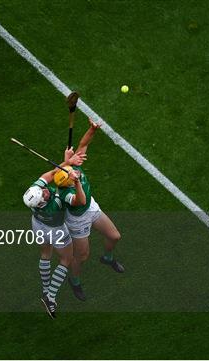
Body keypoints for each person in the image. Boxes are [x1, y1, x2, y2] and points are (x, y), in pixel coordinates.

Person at [56, 118, 125, 302]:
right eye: (71, 177)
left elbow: (83, 144)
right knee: (82, 256)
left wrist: (92, 129)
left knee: (114, 236)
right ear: (66, 181)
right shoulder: (64, 194)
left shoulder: (73, 166)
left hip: (92, 208)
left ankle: (108, 258)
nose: (75, 173)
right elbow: (81, 200)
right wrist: (77, 181)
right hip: (78, 220)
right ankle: (75, 281)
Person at [22, 148, 87, 318]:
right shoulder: (56, 203)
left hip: (37, 224)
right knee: (66, 259)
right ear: (42, 201)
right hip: (56, 230)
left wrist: (66, 163)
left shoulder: (33, 194)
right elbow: (78, 199)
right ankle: (50, 297)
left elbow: (50, 175)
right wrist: (73, 176)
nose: (45, 190)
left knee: (45, 254)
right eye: (44, 193)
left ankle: (45, 289)